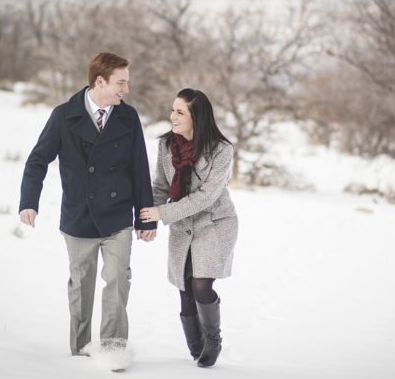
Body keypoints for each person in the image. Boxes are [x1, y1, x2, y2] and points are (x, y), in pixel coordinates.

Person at [18, 52, 157, 364]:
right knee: (81, 289)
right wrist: (29, 201)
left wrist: (146, 219)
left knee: (118, 281)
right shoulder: (63, 116)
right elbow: (37, 160)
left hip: (118, 216)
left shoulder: (128, 116)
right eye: (121, 83)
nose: (126, 89)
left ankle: (114, 350)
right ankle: (80, 354)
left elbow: (139, 169)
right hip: (79, 216)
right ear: (100, 81)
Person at [140, 88, 238, 368]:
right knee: (184, 287)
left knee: (201, 284)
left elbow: (207, 196)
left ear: (197, 117)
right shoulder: (166, 145)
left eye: (180, 112)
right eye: (173, 110)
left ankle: (213, 340)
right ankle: (196, 347)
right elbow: (161, 185)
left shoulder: (221, 150)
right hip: (183, 223)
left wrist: (163, 213)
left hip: (215, 222)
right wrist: (149, 219)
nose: (172, 116)